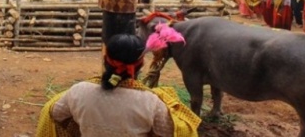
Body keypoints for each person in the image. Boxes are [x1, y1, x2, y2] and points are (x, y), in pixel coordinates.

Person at [37, 34, 200, 136]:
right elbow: (171, 132)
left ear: (105, 59)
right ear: (140, 64)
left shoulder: (79, 91)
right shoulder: (152, 102)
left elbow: (56, 114)